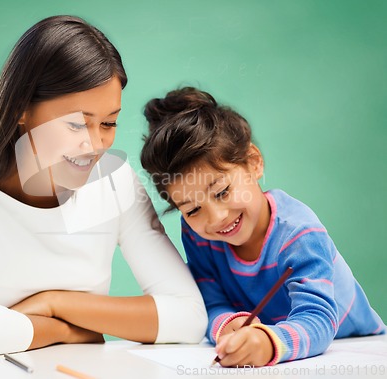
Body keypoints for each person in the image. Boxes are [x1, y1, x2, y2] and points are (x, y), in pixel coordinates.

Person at [0, 16, 207, 358]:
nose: (95, 144)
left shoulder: (115, 181)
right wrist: (73, 331)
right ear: (21, 109)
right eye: (75, 124)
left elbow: (189, 318)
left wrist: (54, 304)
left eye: (109, 123)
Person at [140, 87, 385, 367]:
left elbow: (318, 319)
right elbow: (210, 302)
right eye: (193, 209)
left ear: (253, 162)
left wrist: (268, 343)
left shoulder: (299, 233)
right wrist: (226, 326)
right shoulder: (198, 237)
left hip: (357, 350)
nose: (216, 217)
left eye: (221, 191)